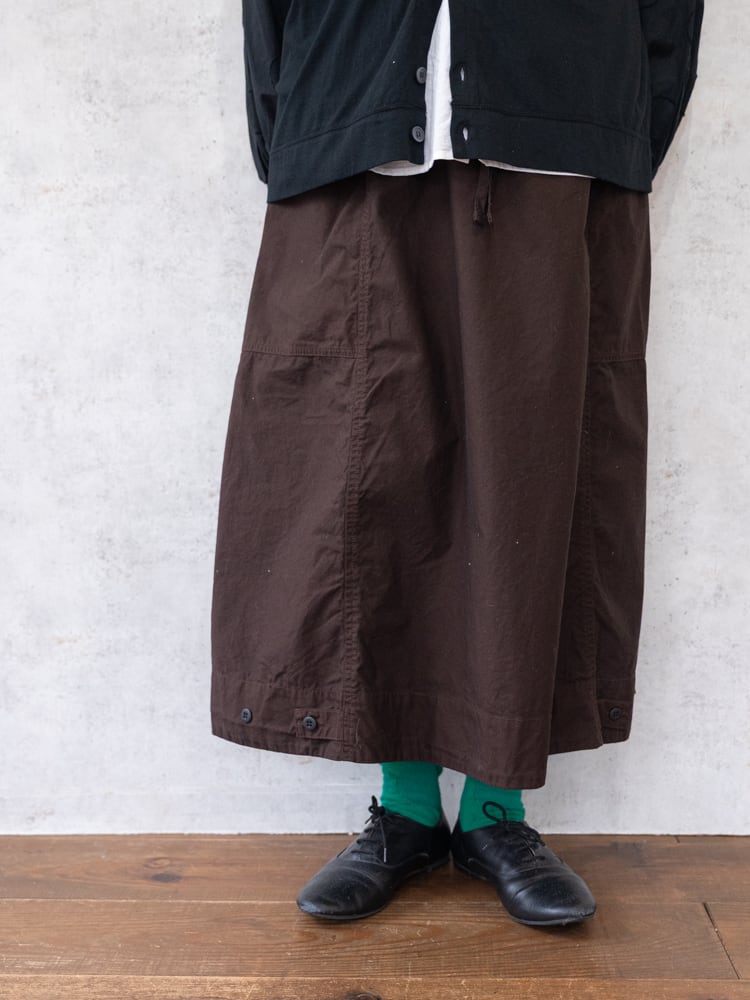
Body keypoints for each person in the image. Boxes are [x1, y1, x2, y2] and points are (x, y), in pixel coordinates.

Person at [210, 0, 704, 926]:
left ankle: (493, 815)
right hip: (349, 121)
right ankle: (404, 810)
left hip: (556, 126)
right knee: (365, 465)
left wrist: (615, 125)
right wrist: (304, 126)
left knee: (532, 469)